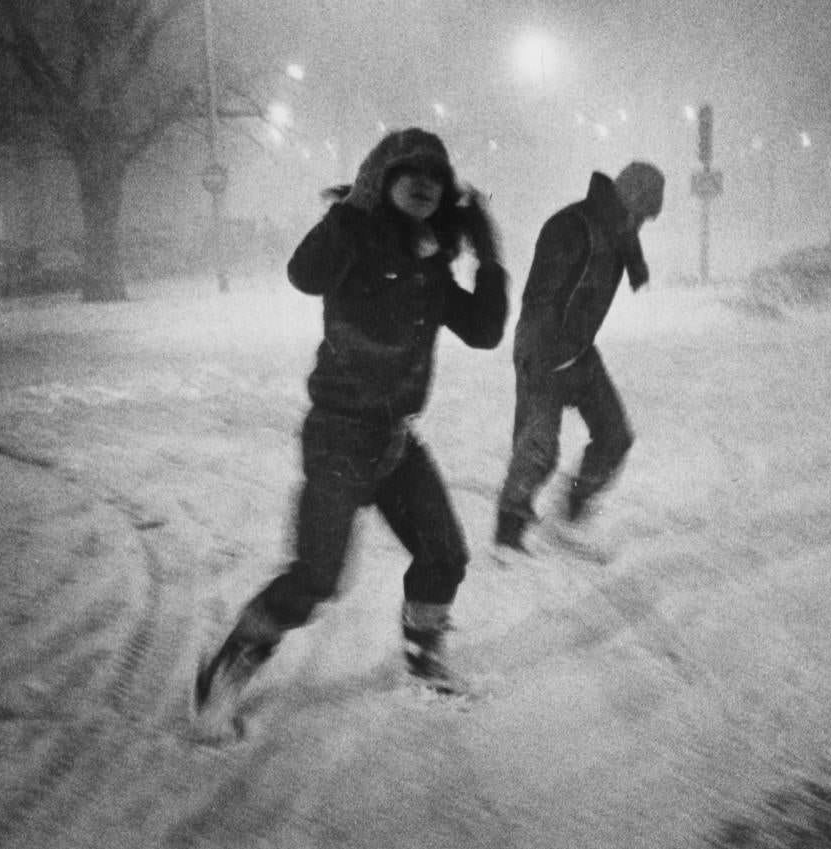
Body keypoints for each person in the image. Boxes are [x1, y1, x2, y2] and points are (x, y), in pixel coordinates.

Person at [195, 128, 508, 720]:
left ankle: (424, 657)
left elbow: (485, 331)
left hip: (393, 441)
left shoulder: (431, 266)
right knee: (317, 577)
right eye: (408, 171)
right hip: (338, 435)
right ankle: (228, 668)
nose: (424, 183)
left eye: (436, 176)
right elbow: (303, 273)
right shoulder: (353, 240)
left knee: (445, 555)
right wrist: (353, 207)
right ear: (380, 180)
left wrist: (488, 259)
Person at [494, 161, 664, 554]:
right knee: (539, 448)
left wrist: (637, 267)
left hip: (579, 349)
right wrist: (550, 357)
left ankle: (570, 512)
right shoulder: (571, 226)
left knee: (614, 436)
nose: (641, 225)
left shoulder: (619, 229)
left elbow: (626, 246)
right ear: (626, 203)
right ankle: (507, 536)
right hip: (542, 345)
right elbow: (540, 297)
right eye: (640, 215)